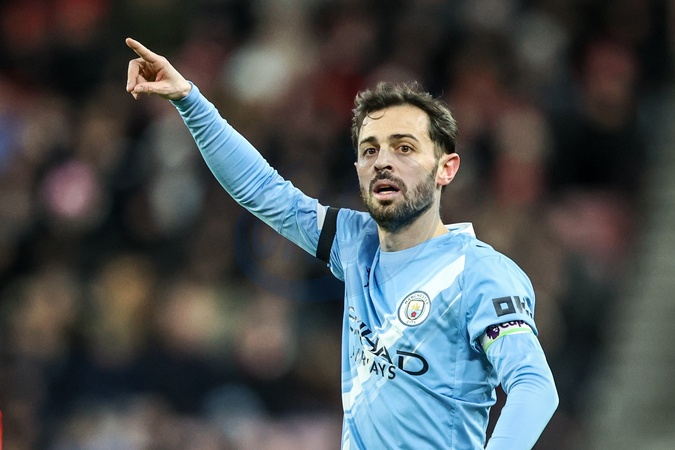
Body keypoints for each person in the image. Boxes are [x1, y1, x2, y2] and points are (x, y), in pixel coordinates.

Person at [125, 37, 558, 450]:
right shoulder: (355, 244)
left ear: (446, 168)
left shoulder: (480, 273)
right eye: (370, 150)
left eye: (404, 148)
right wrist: (188, 99)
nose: (383, 161)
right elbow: (262, 190)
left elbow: (533, 385)